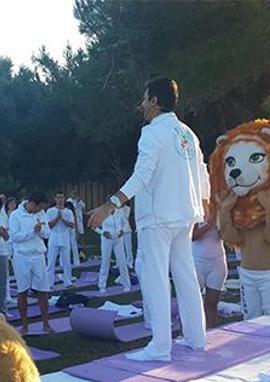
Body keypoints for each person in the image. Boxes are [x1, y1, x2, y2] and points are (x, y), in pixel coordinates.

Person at [89, 77, 209, 362]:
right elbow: (202, 172)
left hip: (158, 216)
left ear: (155, 101)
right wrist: (203, 203)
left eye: (144, 99)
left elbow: (142, 175)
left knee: (156, 279)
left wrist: (110, 205)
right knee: (186, 276)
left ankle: (160, 346)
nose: (141, 105)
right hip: (185, 214)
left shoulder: (153, 133)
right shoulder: (187, 133)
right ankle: (196, 338)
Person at [9, 192, 54, 335]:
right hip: (22, 256)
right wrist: (32, 231)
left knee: (43, 290)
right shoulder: (15, 215)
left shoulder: (41, 213)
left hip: (38, 255)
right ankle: (24, 325)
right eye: (38, 207)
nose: (40, 210)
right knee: (22, 291)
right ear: (32, 203)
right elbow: (15, 237)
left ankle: (46, 324)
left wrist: (40, 231)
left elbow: (47, 233)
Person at [192, 202, 227, 328]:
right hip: (197, 262)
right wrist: (210, 223)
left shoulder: (219, 210)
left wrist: (221, 227)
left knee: (212, 303)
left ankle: (212, 334)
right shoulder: (194, 209)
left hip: (217, 261)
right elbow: (192, 236)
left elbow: (226, 237)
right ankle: (191, 333)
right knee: (193, 304)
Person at [95, 209, 131, 293]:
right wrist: (102, 232)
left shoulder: (120, 213)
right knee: (105, 261)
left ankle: (126, 284)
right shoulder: (102, 213)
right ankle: (102, 285)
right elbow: (94, 226)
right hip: (106, 240)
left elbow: (126, 224)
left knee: (122, 262)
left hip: (118, 239)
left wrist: (123, 230)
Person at [45, 192, 75, 288]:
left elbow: (72, 225)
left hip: (65, 236)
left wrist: (63, 219)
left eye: (62, 197)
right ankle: (49, 282)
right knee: (51, 260)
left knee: (66, 260)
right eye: (58, 197)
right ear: (55, 199)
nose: (60, 199)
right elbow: (49, 225)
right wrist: (58, 218)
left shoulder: (68, 212)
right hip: (54, 236)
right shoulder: (50, 211)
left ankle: (67, 281)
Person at [119, 204, 135, 269]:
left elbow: (125, 217)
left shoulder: (127, 208)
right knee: (119, 248)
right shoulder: (116, 208)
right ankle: (119, 262)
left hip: (126, 230)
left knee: (128, 248)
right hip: (118, 231)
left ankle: (130, 263)